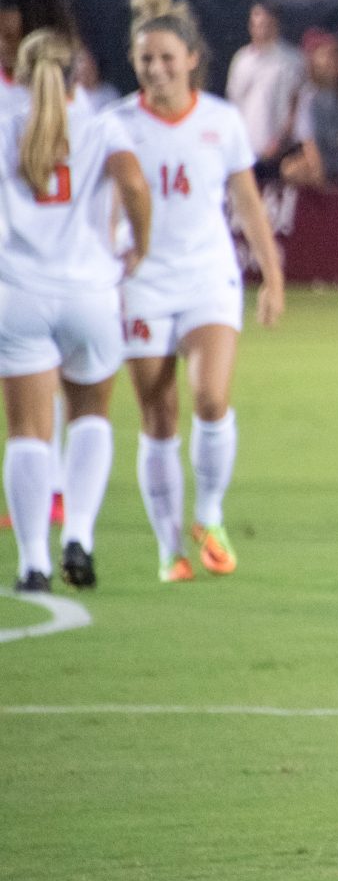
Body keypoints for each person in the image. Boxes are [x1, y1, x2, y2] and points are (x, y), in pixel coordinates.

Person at [114, 0, 286, 584]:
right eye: (145, 60)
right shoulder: (116, 125)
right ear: (134, 64)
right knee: (157, 415)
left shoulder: (220, 120)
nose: (157, 69)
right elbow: (100, 208)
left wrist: (272, 276)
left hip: (209, 275)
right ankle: (169, 548)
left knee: (211, 399)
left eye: (167, 58)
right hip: (141, 284)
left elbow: (247, 201)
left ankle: (208, 516)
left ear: (191, 59)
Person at [4, 30, 151, 593]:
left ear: (20, 74)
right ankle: (80, 538)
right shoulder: (102, 125)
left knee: (27, 433)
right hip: (90, 293)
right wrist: (141, 243)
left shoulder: (5, 130)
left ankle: (33, 563)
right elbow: (134, 184)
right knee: (90, 417)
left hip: (19, 294)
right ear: (77, 74)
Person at [225, 1, 306, 180]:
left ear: (276, 23)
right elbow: (233, 104)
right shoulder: (241, 60)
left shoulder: (292, 60)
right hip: (245, 154)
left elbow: (297, 104)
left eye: (266, 23)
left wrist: (280, 142)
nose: (261, 28)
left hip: (281, 154)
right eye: (256, 23)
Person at [284, 36, 338, 190]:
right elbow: (308, 139)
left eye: (334, 56)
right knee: (291, 169)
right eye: (325, 56)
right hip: (322, 161)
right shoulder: (309, 96)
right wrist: (319, 173)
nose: (330, 61)